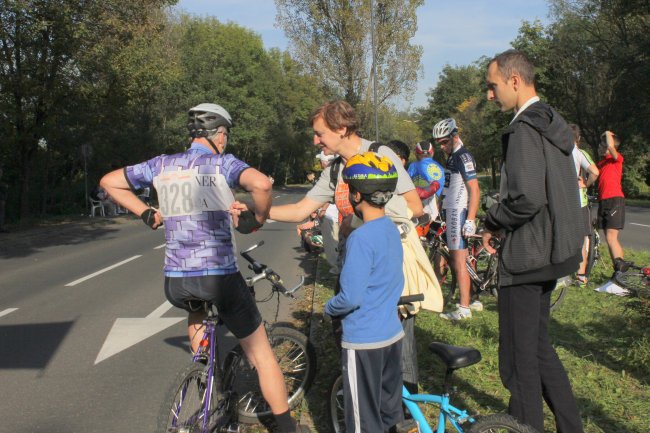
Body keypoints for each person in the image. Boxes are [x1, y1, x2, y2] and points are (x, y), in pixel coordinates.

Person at [100, 103, 308, 433]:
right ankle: (286, 427)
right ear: (219, 134)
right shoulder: (221, 163)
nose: (225, 141)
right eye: (225, 135)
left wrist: (145, 213)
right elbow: (262, 185)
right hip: (219, 275)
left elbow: (110, 181)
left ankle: (207, 383)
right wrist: (259, 217)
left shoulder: (161, 165)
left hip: (177, 280)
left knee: (197, 315)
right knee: (262, 354)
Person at [261, 100, 441, 395]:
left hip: (387, 265)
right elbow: (299, 209)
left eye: (320, 133)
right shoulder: (335, 171)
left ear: (342, 129)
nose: (315, 140)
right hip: (354, 267)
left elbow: (414, 205)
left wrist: (362, 222)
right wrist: (259, 211)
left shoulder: (379, 155)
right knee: (348, 333)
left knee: (397, 348)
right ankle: (361, 397)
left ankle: (400, 416)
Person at [483, 49, 584, 433]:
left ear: (514, 80)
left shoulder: (525, 128)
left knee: (518, 362)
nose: (490, 96)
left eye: (493, 87)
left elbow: (527, 197)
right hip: (553, 251)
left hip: (527, 258)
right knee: (539, 349)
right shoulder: (552, 121)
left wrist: (493, 221)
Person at [324, 152, 404, 433]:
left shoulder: (359, 238)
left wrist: (328, 308)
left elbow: (351, 297)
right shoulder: (391, 229)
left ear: (357, 195)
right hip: (393, 337)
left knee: (362, 422)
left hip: (364, 343)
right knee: (386, 415)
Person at [433, 118, 481, 320]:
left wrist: (469, 219)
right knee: (459, 260)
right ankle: (471, 298)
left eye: (445, 141)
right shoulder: (453, 155)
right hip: (451, 210)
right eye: (439, 143)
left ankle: (464, 308)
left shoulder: (462, 155)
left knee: (459, 261)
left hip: (458, 212)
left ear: (455, 136)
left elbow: (475, 189)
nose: (442, 146)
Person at [596, 130, 630, 277]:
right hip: (603, 201)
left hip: (615, 200)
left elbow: (611, 147)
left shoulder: (617, 159)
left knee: (611, 237)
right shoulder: (601, 163)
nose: (598, 147)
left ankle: (621, 273)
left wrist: (607, 134)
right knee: (608, 237)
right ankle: (617, 271)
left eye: (600, 145)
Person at [569, 124, 599, 287]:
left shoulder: (557, 153)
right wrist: (586, 184)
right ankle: (581, 276)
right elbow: (595, 171)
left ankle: (561, 273)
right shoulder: (579, 153)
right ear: (578, 138)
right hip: (579, 202)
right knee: (581, 239)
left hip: (562, 202)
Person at [407, 140, 445, 221]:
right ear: (432, 153)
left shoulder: (413, 165)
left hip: (419, 204)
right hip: (437, 205)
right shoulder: (441, 168)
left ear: (416, 154)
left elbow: (406, 184)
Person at [0, 167, 8, 232]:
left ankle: (1, 227)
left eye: (1, 172)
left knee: (2, 213)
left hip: (2, 200)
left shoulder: (2, 182)